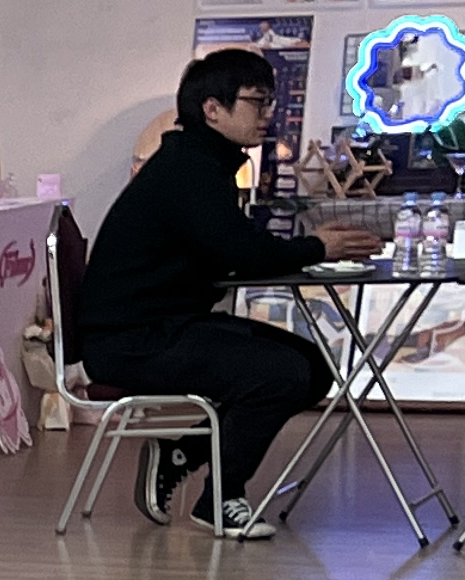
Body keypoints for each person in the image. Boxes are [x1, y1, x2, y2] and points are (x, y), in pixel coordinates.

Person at [80, 45, 382, 537]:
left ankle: (181, 454)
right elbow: (240, 251)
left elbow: (230, 247)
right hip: (133, 340)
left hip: (167, 325)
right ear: (212, 109)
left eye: (270, 103)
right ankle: (220, 501)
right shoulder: (188, 169)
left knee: (312, 367)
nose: (267, 115)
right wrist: (316, 247)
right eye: (256, 102)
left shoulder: (204, 162)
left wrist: (306, 247)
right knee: (280, 373)